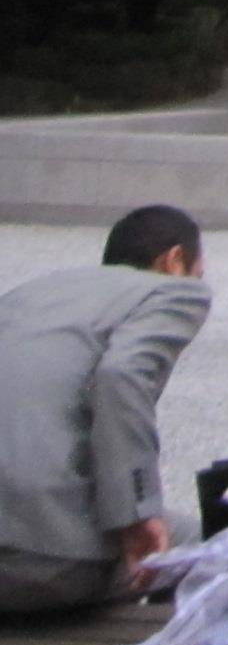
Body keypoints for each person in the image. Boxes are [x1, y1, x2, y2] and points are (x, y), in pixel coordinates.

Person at [0, 208, 210, 614]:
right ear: (174, 260)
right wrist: (136, 514)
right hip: (44, 563)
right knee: (197, 544)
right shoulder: (171, 291)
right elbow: (122, 376)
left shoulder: (35, 291)